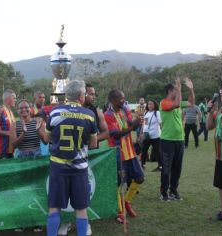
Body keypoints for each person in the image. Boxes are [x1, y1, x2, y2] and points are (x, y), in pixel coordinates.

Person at [43, 80, 97, 236]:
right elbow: (93, 144)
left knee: (54, 207)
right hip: (79, 169)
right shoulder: (89, 115)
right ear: (81, 96)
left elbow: (47, 139)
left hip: (58, 167)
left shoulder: (55, 112)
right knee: (81, 209)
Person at [104, 89, 144, 223]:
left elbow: (131, 125)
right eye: (121, 98)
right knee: (118, 183)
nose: (123, 100)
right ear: (113, 100)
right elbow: (115, 134)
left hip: (130, 152)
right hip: (117, 154)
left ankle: (126, 201)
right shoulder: (108, 115)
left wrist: (138, 124)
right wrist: (133, 128)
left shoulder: (125, 110)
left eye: (124, 98)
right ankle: (120, 212)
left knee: (140, 178)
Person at [159, 77, 195, 201]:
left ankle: (173, 191)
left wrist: (191, 89)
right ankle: (163, 192)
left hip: (179, 140)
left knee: (177, 168)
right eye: (175, 90)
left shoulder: (177, 102)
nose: (178, 92)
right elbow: (176, 104)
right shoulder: (164, 102)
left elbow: (191, 103)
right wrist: (179, 89)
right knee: (166, 168)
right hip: (167, 140)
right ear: (170, 91)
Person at [206, 82, 222, 221]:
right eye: (221, 90)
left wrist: (217, 114)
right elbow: (209, 126)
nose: (221, 93)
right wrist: (211, 111)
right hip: (221, 156)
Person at [0, 89, 17, 159]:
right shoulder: (0, 111)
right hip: (0, 151)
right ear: (7, 99)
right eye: (14, 98)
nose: (15, 100)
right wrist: (9, 133)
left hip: (10, 150)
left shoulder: (10, 112)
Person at [140, 100, 162, 171]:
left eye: (152, 104)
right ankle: (142, 165)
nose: (150, 106)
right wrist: (142, 132)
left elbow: (161, 123)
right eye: (149, 104)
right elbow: (144, 124)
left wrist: (163, 133)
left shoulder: (157, 113)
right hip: (146, 135)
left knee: (157, 151)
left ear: (155, 105)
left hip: (156, 136)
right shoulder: (146, 113)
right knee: (144, 151)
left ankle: (160, 166)